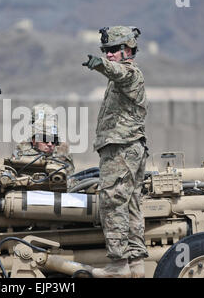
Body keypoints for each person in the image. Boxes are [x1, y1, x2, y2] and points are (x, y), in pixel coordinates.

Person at [82, 26, 148, 278]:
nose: (109, 55)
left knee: (113, 202)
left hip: (122, 149)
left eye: (112, 50)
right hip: (128, 148)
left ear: (128, 50)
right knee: (131, 204)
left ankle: (119, 265)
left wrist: (99, 64)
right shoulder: (122, 78)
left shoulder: (130, 74)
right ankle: (136, 266)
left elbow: (117, 71)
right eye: (105, 51)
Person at [13, 103, 74, 177]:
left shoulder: (62, 149)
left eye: (54, 140)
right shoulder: (23, 147)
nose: (50, 144)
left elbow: (69, 177)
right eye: (45, 139)